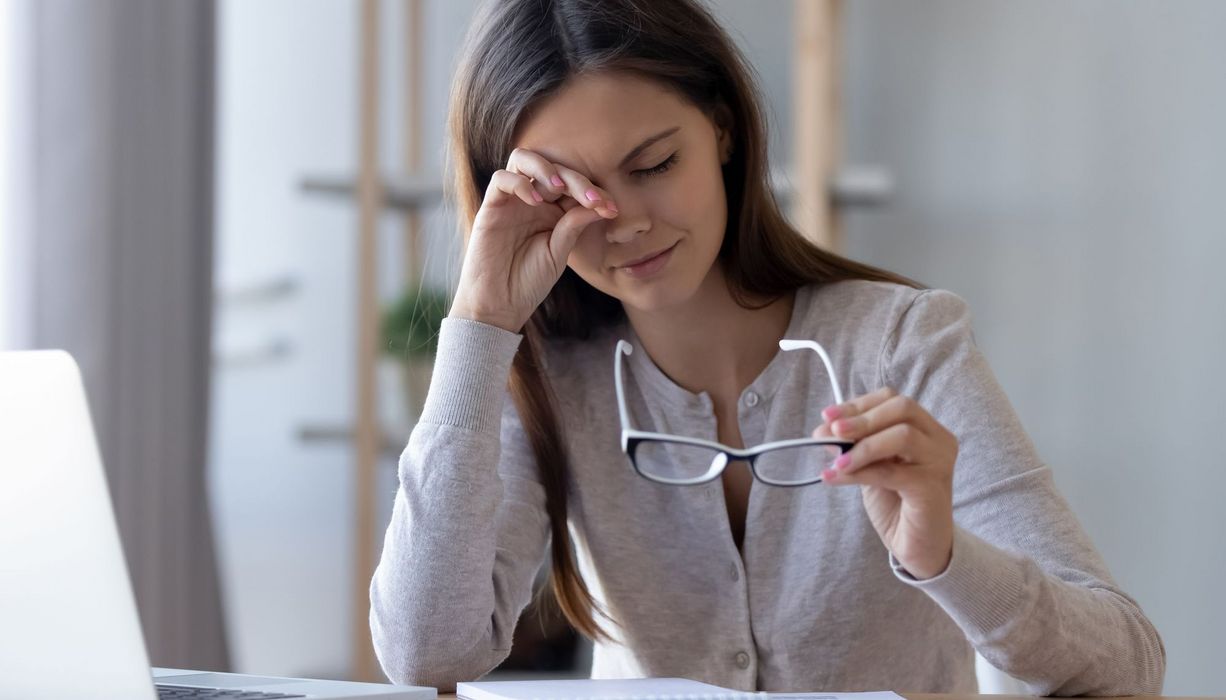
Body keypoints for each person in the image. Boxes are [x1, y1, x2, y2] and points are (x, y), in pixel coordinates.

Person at [369, 0, 1165, 695]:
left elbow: (1127, 667)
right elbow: (425, 650)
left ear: (721, 130)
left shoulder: (901, 341)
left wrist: (945, 557)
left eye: (654, 164)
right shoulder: (547, 375)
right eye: (571, 195)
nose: (626, 222)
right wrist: (481, 322)